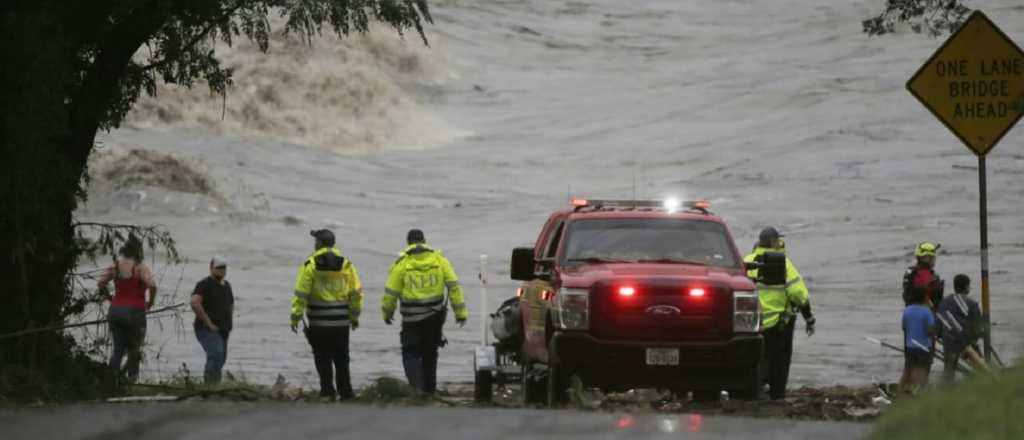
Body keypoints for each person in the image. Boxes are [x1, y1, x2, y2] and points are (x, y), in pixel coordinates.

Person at [383, 229, 468, 395]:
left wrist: (387, 313)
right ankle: (430, 391)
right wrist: (460, 313)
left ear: (408, 242)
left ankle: (417, 390)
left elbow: (391, 293)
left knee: (410, 353)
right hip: (434, 318)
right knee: (430, 354)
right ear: (424, 241)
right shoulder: (440, 261)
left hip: (411, 320)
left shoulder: (401, 264)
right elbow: (454, 287)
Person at [743, 226, 814, 400]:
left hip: (749, 324)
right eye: (778, 240)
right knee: (780, 362)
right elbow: (799, 294)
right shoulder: (784, 264)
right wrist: (809, 317)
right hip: (779, 325)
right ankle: (777, 395)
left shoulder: (746, 261)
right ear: (774, 242)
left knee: (752, 361)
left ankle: (751, 392)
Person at [291, 229, 362, 400]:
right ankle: (346, 393)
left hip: (318, 322)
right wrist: (354, 317)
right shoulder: (346, 264)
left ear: (319, 244)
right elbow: (356, 293)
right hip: (341, 321)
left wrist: (296, 316)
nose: (314, 244)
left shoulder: (310, 265)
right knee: (342, 358)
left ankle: (327, 392)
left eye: (315, 241)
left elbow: (301, 293)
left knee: (322, 357)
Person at [97, 235, 157, 384]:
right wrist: (150, 302)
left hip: (115, 312)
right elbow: (153, 285)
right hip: (135, 313)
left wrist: (110, 298)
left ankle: (111, 382)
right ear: (138, 251)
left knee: (117, 350)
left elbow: (101, 283)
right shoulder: (140, 268)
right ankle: (130, 382)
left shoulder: (115, 266)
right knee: (134, 350)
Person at [191, 255, 234, 384]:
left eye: (223, 268)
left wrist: (229, 322)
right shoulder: (204, 284)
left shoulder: (227, 286)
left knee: (221, 359)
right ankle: (208, 385)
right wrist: (208, 323)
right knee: (216, 353)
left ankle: (215, 386)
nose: (221, 270)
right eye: (218, 267)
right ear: (211, 268)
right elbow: (195, 303)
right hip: (206, 328)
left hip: (224, 329)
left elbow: (231, 305)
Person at [936, 274, 983, 383]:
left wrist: (940, 335)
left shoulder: (944, 302)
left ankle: (947, 389)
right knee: (979, 364)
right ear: (966, 287)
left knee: (949, 369)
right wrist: (975, 339)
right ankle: (983, 383)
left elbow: (939, 322)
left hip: (949, 339)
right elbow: (977, 326)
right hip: (966, 340)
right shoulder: (972, 303)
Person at [900, 287, 936, 392]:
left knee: (908, 370)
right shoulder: (927, 312)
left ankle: (900, 391)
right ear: (925, 297)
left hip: (910, 346)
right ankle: (919, 392)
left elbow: (904, 328)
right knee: (923, 372)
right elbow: (930, 331)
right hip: (924, 347)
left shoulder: (907, 310)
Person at [902, 242, 944, 308]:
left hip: (910, 309)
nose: (934, 259)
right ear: (926, 258)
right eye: (933, 257)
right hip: (924, 310)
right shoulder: (925, 274)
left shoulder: (911, 271)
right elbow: (928, 298)